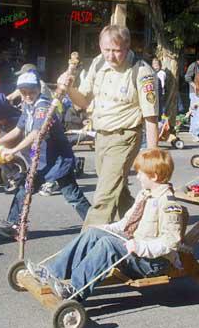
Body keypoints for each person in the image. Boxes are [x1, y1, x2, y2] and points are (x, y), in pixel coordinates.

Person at [24, 148, 188, 302]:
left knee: (108, 244)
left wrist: (140, 247)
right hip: (135, 250)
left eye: (140, 173)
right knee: (94, 233)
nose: (137, 176)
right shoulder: (144, 195)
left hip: (152, 262)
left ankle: (74, 289)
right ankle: (52, 272)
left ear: (154, 176)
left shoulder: (168, 204)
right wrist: (105, 228)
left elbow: (170, 242)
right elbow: (126, 223)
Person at [57, 25, 159, 226]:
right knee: (117, 192)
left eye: (116, 50)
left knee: (103, 197)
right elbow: (83, 102)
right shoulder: (97, 63)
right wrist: (68, 89)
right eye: (106, 50)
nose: (110, 56)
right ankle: (142, 229)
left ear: (128, 46)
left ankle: (87, 247)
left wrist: (153, 155)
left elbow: (151, 117)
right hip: (101, 136)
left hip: (125, 136)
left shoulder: (142, 72)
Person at [0, 71, 91, 237]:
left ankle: (94, 222)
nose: (28, 95)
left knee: (72, 195)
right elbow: (18, 130)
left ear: (39, 89)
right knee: (24, 190)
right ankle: (14, 224)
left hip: (58, 160)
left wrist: (13, 150)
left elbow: (36, 133)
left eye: (32, 91)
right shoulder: (27, 106)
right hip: (41, 160)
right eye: (24, 92)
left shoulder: (43, 106)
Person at [184, 53, 199, 139]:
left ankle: (193, 130)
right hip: (194, 92)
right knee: (196, 112)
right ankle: (195, 131)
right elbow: (187, 77)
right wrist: (195, 87)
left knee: (197, 112)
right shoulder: (193, 65)